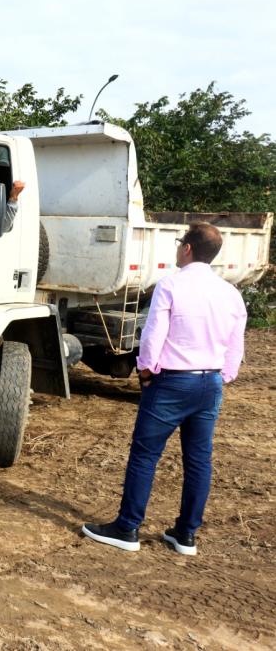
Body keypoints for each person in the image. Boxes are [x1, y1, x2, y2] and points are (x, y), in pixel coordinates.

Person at [82, 222, 247, 556]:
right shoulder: (231, 294)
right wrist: (222, 377)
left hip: (172, 381)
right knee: (199, 460)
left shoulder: (171, 285)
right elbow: (235, 346)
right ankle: (186, 535)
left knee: (145, 455)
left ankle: (127, 528)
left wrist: (145, 370)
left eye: (179, 242)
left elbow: (154, 332)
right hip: (209, 382)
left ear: (187, 248)